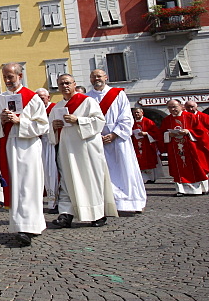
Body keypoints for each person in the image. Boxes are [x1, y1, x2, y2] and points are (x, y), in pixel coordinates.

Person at [48, 74, 116, 228]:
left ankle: (97, 215)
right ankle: (66, 214)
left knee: (90, 179)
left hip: (87, 149)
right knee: (67, 180)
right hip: (66, 149)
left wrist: (78, 120)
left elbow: (99, 122)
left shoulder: (87, 101)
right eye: (61, 84)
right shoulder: (57, 107)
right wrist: (54, 127)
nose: (64, 86)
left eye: (67, 83)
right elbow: (49, 132)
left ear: (74, 84)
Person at [0, 63, 49, 247]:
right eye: (5, 77)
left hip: (28, 147)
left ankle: (30, 226)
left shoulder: (32, 98)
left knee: (29, 185)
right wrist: (1, 121)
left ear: (20, 75)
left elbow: (42, 125)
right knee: (16, 187)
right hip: (8, 147)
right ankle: (18, 226)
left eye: (11, 77)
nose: (8, 81)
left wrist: (19, 121)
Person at [87, 70, 145, 214]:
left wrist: (114, 134)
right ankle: (109, 202)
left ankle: (131, 203)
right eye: (93, 77)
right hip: (97, 140)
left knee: (125, 169)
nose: (96, 79)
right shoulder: (87, 97)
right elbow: (86, 118)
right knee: (103, 172)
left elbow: (126, 117)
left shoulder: (118, 94)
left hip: (118, 139)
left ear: (106, 77)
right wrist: (96, 135)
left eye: (99, 76)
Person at [161, 99, 209, 196]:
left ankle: (202, 189)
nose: (173, 109)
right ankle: (181, 190)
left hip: (193, 148)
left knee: (198, 167)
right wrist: (168, 134)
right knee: (179, 169)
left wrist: (188, 132)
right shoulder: (167, 120)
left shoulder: (191, 117)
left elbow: (201, 132)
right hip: (176, 149)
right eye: (170, 107)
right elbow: (161, 133)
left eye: (175, 107)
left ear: (181, 106)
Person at [184, 100, 209, 184]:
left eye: (192, 106)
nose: (190, 109)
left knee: (207, 163)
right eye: (188, 107)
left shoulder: (205, 117)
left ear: (196, 106)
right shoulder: (184, 117)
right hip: (190, 144)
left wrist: (202, 133)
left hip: (205, 144)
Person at [36, 88, 60, 210]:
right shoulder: (34, 109)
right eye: (37, 97)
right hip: (40, 144)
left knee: (54, 172)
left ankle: (56, 201)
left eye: (42, 97)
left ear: (48, 98)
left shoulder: (55, 108)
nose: (40, 99)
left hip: (53, 143)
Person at [131, 106, 162, 184]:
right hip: (136, 145)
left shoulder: (148, 122)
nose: (136, 114)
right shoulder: (132, 122)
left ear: (142, 112)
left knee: (148, 161)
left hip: (147, 145)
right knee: (138, 161)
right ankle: (141, 178)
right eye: (135, 113)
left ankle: (151, 178)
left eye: (138, 112)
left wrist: (146, 133)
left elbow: (156, 133)